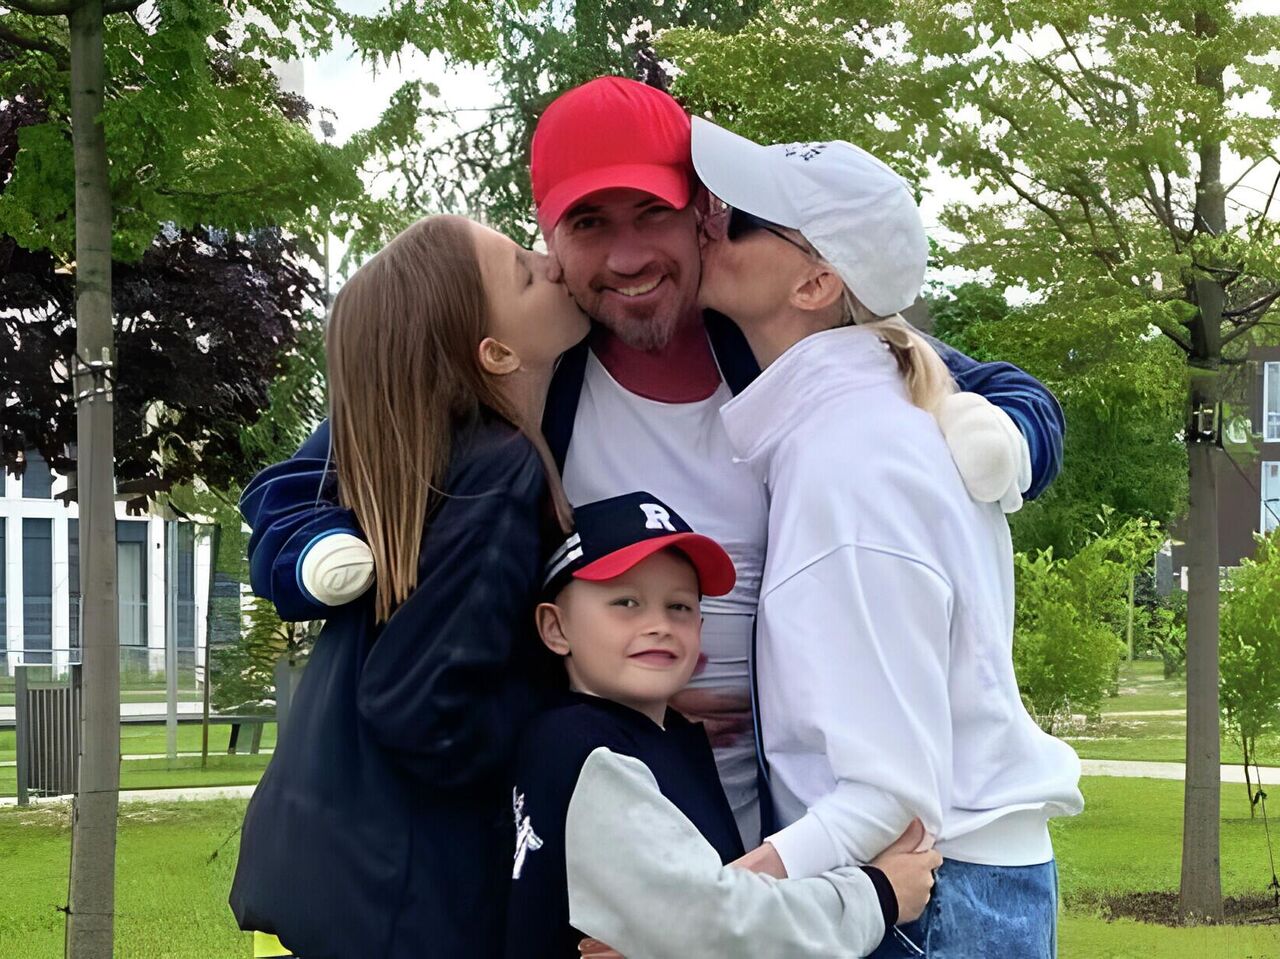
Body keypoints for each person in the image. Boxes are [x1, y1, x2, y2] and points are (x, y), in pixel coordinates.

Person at [252, 75, 1068, 853]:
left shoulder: (780, 345)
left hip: (789, 832)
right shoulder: (529, 375)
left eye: (653, 212)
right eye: (589, 224)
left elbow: (1000, 392)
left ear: (704, 213)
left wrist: (999, 443)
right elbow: (302, 486)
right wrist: (314, 557)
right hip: (600, 840)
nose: (629, 255)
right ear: (549, 241)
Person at [690, 116, 1084, 957]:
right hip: (959, 886)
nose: (708, 219)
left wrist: (699, 914)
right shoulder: (887, 421)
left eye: (740, 217)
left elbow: (888, 797)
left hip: (926, 901)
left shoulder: (851, 464)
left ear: (815, 282)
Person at [227, 214, 589, 959]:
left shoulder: (421, 450)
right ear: (495, 352)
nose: (551, 262)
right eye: (524, 272)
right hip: (403, 905)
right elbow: (420, 705)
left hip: (325, 883)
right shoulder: (500, 466)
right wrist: (573, 719)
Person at [505, 492, 942, 958]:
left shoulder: (652, 738)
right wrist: (877, 894)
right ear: (555, 628)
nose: (659, 625)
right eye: (626, 602)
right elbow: (712, 923)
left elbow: (685, 921)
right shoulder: (586, 751)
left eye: (679, 606)